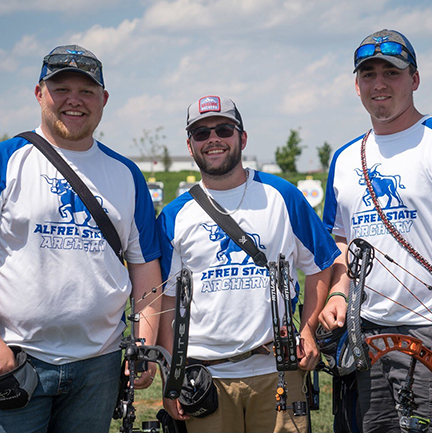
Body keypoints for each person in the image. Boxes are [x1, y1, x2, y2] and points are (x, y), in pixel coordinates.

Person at [0, 45, 162, 433]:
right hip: (17, 361)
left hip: (99, 366)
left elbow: (146, 271)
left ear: (103, 100)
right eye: (61, 89)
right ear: (40, 93)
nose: (74, 100)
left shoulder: (126, 174)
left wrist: (143, 346)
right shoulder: (7, 160)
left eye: (87, 90)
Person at [156, 95, 340, 433]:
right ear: (190, 144)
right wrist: (172, 376)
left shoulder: (283, 196)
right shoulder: (174, 215)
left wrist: (308, 329)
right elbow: (167, 302)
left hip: (278, 369)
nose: (213, 139)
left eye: (224, 129)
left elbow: (321, 266)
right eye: (201, 133)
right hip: (206, 377)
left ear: (242, 137)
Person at [320, 29, 432, 432]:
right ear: (357, 84)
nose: (379, 83)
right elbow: (341, 240)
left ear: (415, 79)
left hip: (427, 329)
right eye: (369, 74)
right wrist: (337, 292)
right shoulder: (346, 158)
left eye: (392, 72)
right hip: (364, 333)